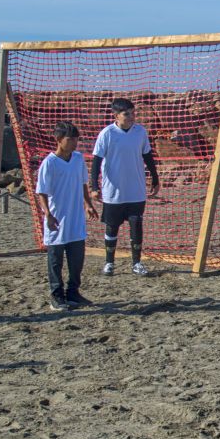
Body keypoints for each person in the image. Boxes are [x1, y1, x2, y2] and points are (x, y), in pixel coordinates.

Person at [90, 98, 159, 276]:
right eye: (127, 114)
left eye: (133, 113)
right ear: (116, 115)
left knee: (136, 224)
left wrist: (155, 178)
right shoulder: (107, 133)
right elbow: (96, 161)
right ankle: (109, 262)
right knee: (112, 226)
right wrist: (94, 186)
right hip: (113, 191)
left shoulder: (140, 132)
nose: (131, 117)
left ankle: (136, 263)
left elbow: (148, 156)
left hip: (136, 190)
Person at [35, 121, 99, 310]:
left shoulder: (78, 159)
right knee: (56, 259)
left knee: (77, 257)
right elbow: (42, 192)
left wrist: (87, 204)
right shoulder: (50, 163)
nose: (74, 143)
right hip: (57, 217)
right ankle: (56, 295)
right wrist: (47, 214)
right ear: (59, 140)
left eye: (76, 139)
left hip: (75, 217)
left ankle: (73, 292)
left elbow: (83, 184)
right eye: (70, 139)